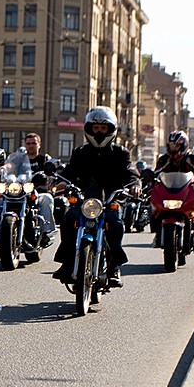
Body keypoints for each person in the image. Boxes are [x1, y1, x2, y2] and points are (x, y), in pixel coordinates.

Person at [52, 106, 141, 288]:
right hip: (85, 199)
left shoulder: (120, 153)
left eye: (103, 128)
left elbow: (130, 172)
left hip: (110, 200)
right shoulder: (80, 152)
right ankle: (68, 262)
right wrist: (59, 182)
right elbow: (69, 172)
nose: (99, 132)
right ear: (89, 129)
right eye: (95, 128)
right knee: (69, 219)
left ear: (111, 130)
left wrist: (135, 185)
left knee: (114, 222)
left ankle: (114, 266)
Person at [0, 132, 56, 249]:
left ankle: (47, 232)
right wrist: (1, 169)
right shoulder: (19, 159)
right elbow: (10, 166)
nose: (31, 146)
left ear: (39, 145)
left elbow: (50, 170)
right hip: (18, 192)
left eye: (34, 143)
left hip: (36, 192)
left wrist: (46, 174)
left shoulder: (43, 159)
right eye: (28, 143)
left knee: (47, 199)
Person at [152, 130, 194, 249]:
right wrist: (149, 181)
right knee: (152, 207)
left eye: (176, 145)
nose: (174, 148)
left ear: (183, 145)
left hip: (187, 192)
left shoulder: (192, 158)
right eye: (172, 145)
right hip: (168, 192)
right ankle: (158, 234)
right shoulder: (164, 159)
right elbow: (156, 174)